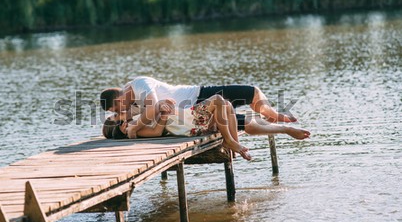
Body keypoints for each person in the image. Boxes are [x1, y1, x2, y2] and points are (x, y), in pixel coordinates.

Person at [100, 76, 309, 139]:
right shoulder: (131, 109)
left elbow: (153, 108)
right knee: (242, 122)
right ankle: (284, 129)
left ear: (119, 100)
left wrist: (134, 127)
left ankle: (273, 115)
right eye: (116, 114)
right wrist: (125, 123)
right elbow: (119, 124)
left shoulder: (140, 84)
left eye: (116, 110)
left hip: (198, 96)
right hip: (192, 115)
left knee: (252, 92)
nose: (119, 114)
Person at [110, 95, 252, 161]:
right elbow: (156, 131)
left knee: (226, 104)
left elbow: (154, 118)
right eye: (116, 117)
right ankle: (229, 141)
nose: (119, 114)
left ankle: (233, 141)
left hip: (187, 118)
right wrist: (161, 110)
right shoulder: (132, 128)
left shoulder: (135, 125)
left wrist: (163, 106)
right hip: (187, 123)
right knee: (218, 100)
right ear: (120, 127)